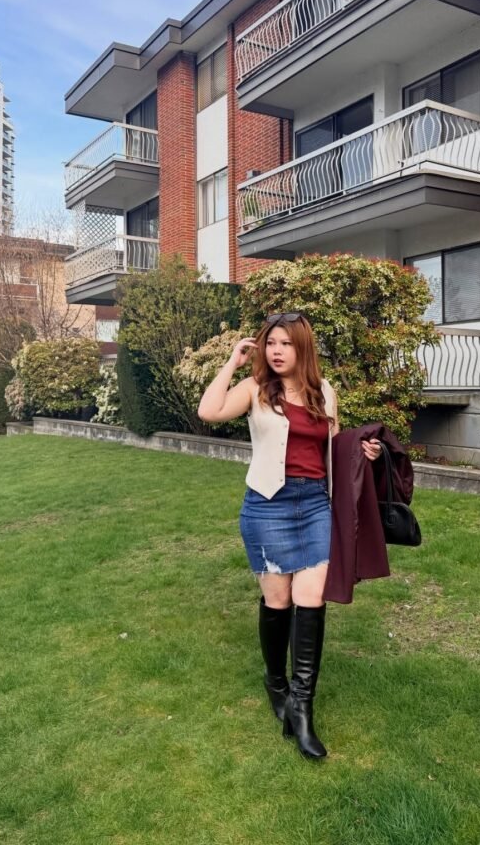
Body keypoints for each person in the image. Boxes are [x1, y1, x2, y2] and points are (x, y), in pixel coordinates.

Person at [198, 312, 381, 760]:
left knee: (311, 600)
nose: (276, 350)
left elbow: (333, 447)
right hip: (267, 506)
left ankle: (301, 707)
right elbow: (209, 410)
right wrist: (233, 362)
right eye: (270, 343)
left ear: (303, 349)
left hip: (315, 504)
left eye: (285, 343)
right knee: (278, 601)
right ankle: (275, 681)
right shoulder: (256, 390)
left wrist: (363, 452)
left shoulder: (324, 392)